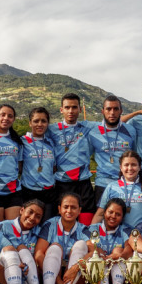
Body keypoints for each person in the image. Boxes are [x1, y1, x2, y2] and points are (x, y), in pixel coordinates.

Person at [33, 192, 92, 284]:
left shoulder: (83, 229)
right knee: (55, 247)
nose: (69, 211)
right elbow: (39, 254)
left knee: (81, 245)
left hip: (74, 278)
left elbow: (94, 253)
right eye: (66, 207)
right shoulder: (50, 225)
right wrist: (58, 280)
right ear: (59, 209)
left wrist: (75, 268)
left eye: (73, 207)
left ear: (79, 210)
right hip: (52, 275)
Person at [46, 93, 97, 222]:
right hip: (61, 183)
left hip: (84, 183)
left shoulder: (87, 127)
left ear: (80, 109)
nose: (71, 111)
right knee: (64, 222)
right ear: (61, 109)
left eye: (74, 107)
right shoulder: (51, 129)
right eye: (67, 107)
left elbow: (111, 122)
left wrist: (139, 112)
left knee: (86, 222)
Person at [0, 199, 46, 284]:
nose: (32, 218)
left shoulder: (40, 232)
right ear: (21, 210)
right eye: (30, 212)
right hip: (3, 275)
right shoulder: (3, 226)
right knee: (21, 249)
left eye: (38, 216)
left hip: (26, 279)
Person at [89, 95, 136, 205]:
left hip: (125, 183)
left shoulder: (131, 130)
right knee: (102, 217)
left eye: (116, 109)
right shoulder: (93, 132)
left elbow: (135, 156)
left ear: (121, 111)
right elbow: (87, 157)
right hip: (102, 183)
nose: (112, 112)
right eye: (108, 109)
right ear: (103, 111)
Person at [95, 150, 142, 227]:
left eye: (133, 165)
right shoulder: (111, 187)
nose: (130, 168)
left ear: (139, 167)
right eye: (126, 165)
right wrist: (91, 232)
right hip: (119, 235)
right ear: (121, 167)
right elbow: (100, 214)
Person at [90, 198, 133, 284]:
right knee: (96, 254)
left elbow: (129, 248)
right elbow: (88, 245)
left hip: (118, 267)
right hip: (99, 267)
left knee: (119, 251)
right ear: (104, 212)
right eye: (110, 212)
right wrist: (101, 254)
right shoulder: (93, 229)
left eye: (118, 214)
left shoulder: (126, 229)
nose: (113, 216)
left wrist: (119, 255)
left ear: (122, 217)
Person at [20, 108, 57, 220]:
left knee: (47, 226)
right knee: (29, 225)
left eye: (43, 121)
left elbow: (54, 168)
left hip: (49, 193)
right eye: (36, 121)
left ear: (47, 123)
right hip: (28, 192)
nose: (40, 124)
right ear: (30, 123)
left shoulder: (51, 143)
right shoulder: (23, 141)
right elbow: (19, 166)